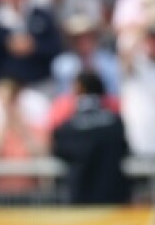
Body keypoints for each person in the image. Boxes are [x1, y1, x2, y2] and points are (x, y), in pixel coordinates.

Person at [51, 71, 130, 205]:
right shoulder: (115, 121)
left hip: (83, 200)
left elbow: (58, 150)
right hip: (114, 197)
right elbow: (124, 148)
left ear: (80, 89)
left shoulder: (70, 126)